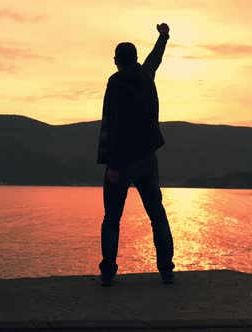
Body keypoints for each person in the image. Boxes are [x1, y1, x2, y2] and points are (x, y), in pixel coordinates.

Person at [96, 23, 175, 286]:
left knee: (112, 219)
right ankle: (166, 270)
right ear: (136, 59)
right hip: (148, 159)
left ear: (116, 61)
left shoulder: (117, 84)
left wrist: (115, 165)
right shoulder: (146, 75)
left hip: (123, 160)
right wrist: (163, 35)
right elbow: (156, 57)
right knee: (157, 215)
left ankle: (108, 272)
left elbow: (117, 126)